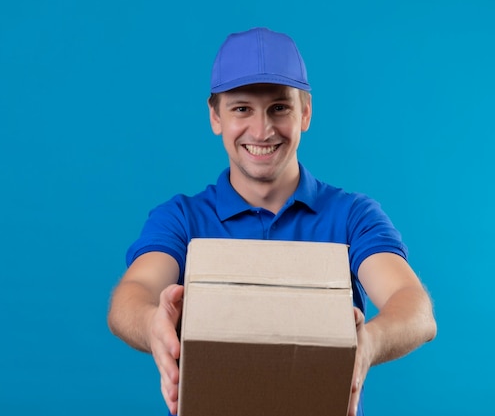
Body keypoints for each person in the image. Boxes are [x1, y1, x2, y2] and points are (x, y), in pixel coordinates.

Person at [107, 27, 437, 416]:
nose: (262, 131)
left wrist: (369, 344)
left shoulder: (351, 216)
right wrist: (152, 326)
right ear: (215, 117)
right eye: (242, 108)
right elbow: (133, 292)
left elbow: (414, 309)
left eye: (279, 108)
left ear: (306, 113)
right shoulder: (182, 218)